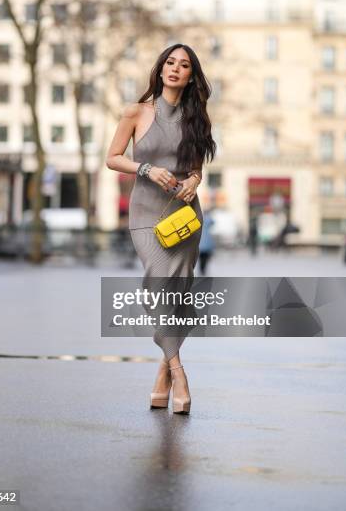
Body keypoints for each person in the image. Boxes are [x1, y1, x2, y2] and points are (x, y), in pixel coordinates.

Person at [106, 43, 216, 414]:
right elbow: (112, 157)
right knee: (158, 285)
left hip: (184, 216)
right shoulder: (136, 112)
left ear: (190, 75)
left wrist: (195, 180)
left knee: (178, 294)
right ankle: (179, 372)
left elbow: (197, 166)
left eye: (184, 65)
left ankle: (161, 376)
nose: (175, 69)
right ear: (160, 68)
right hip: (145, 214)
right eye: (170, 62)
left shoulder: (197, 117)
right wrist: (146, 169)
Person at [198, 207, 215, 275]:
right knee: (206, 257)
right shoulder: (208, 220)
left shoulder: (200, 219)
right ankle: (203, 269)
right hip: (206, 244)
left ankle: (201, 269)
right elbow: (213, 222)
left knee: (201, 258)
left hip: (200, 244)